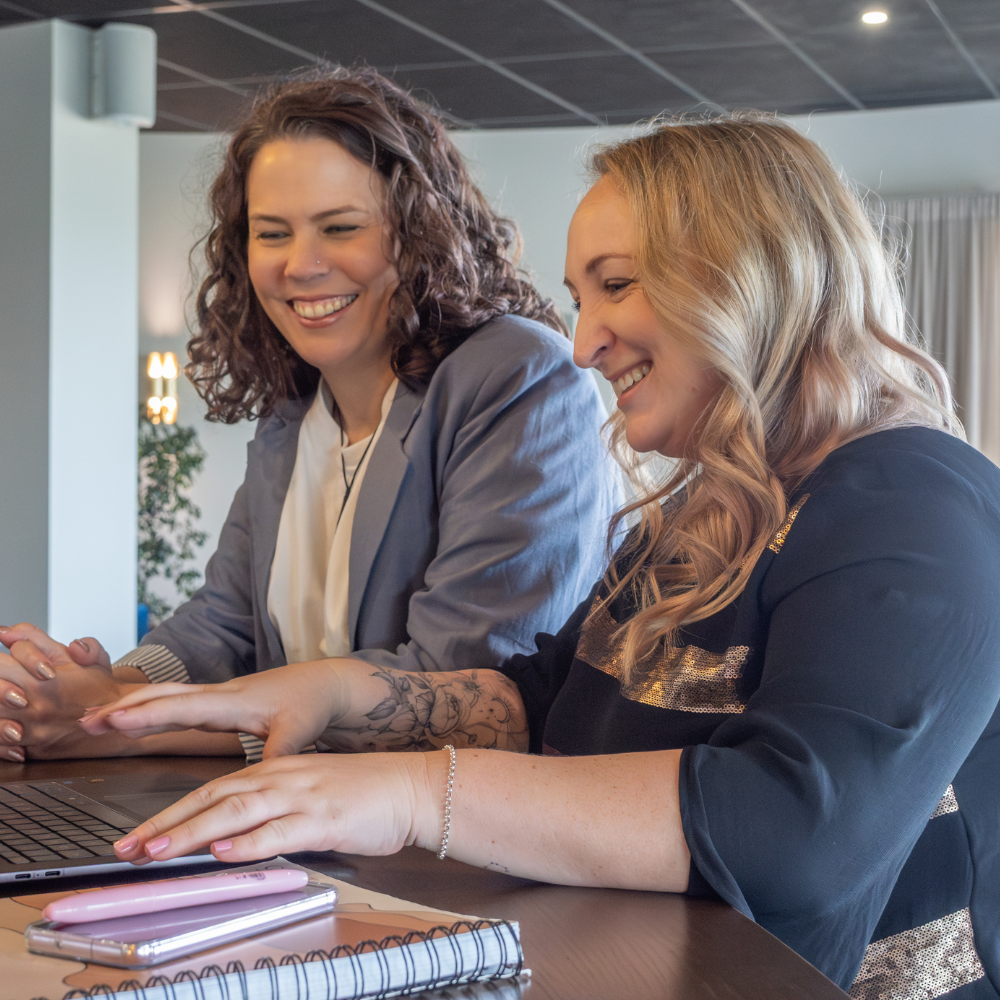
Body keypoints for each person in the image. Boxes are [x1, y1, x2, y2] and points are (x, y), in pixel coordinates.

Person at [78, 115, 1000, 999]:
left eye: (619, 284)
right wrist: (329, 692)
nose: (584, 342)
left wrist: (408, 794)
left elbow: (795, 823)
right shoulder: (700, 510)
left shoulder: (915, 500)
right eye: (578, 297)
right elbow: (535, 701)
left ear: (748, 279)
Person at [0, 69, 617, 761]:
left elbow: (461, 686)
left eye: (340, 227)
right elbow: (220, 626)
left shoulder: (520, 377)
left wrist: (116, 730)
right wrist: (92, 688)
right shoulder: (294, 408)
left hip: (459, 840)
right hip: (307, 822)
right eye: (272, 233)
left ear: (419, 232)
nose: (302, 264)